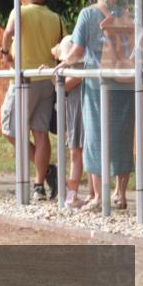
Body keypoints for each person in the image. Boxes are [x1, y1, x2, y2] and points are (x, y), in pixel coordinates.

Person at [55, 0, 135, 211]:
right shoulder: (128, 16)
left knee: (95, 137)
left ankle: (99, 196)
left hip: (97, 85)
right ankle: (120, 195)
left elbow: (77, 52)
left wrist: (63, 61)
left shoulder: (88, 14)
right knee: (122, 137)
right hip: (125, 82)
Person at [0, 0, 63, 200]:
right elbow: (61, 48)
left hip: (25, 79)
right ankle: (39, 185)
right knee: (40, 131)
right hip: (47, 79)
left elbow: (7, 34)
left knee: (9, 129)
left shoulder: (18, 12)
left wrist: (3, 52)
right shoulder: (56, 18)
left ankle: (44, 171)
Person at [49, 36, 85, 208]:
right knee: (76, 153)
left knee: (78, 153)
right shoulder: (74, 68)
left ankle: (75, 194)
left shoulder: (79, 69)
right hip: (73, 111)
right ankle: (72, 194)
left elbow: (62, 86)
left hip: (79, 111)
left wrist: (53, 74)